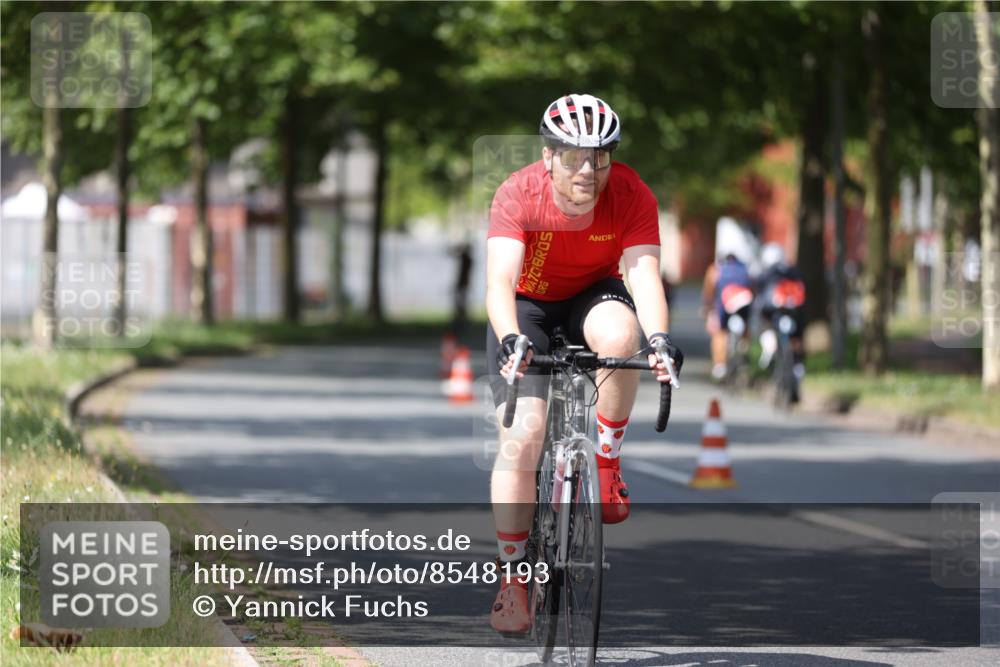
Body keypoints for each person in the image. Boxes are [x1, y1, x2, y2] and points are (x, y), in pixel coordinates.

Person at [486, 93, 683, 634]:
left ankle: (606, 459)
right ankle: (512, 579)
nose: (588, 169)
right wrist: (510, 339)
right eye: (573, 156)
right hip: (526, 306)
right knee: (523, 438)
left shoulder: (631, 193)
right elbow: (500, 280)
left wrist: (660, 338)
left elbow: (643, 274)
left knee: (623, 336)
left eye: (600, 156)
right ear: (548, 156)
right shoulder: (517, 193)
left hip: (593, 294)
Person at [756, 243, 806, 395]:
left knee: (766, 326)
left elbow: (761, 301)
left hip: (775, 313)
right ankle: (798, 368)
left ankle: (770, 350)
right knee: (796, 339)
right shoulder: (794, 271)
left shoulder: (766, 274)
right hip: (794, 313)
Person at [701, 239, 754, 381]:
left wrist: (707, 308)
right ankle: (744, 349)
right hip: (744, 301)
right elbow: (752, 287)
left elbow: (709, 291)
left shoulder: (716, 269)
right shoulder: (745, 268)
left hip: (724, 303)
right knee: (746, 326)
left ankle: (720, 365)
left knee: (720, 332)